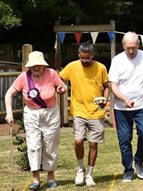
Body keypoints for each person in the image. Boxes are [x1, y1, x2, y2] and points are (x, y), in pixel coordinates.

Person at [5, 51, 67, 190]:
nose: (36, 67)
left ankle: (51, 176)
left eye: (38, 64)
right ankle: (36, 179)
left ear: (43, 65)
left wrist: (62, 89)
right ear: (29, 66)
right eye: (33, 65)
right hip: (31, 114)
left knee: (50, 146)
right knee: (33, 146)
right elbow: (9, 93)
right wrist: (9, 113)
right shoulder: (23, 77)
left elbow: (62, 87)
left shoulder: (51, 74)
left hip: (50, 114)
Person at [60, 42, 110, 187]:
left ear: (92, 55)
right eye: (82, 58)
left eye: (87, 58)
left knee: (93, 143)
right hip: (79, 110)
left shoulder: (101, 68)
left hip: (96, 112)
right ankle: (80, 169)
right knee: (78, 141)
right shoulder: (72, 66)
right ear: (79, 55)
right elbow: (59, 79)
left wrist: (104, 99)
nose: (84, 61)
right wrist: (60, 87)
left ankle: (89, 173)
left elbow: (107, 87)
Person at [108, 31, 143, 182]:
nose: (131, 51)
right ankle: (128, 169)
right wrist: (123, 98)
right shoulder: (117, 60)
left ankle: (139, 161)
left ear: (138, 45)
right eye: (128, 48)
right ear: (123, 46)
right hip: (122, 107)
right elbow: (113, 86)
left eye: (133, 47)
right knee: (124, 139)